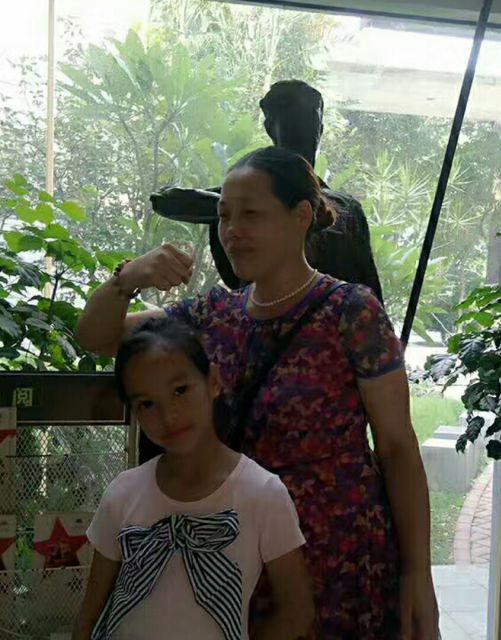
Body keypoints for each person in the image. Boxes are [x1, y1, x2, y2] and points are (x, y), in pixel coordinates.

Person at [76, 146, 439, 639]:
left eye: (251, 214)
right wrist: (128, 279)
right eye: (225, 216)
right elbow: (98, 336)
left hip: (337, 556)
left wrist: (418, 572)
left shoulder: (352, 312)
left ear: (300, 216)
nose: (232, 231)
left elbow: (396, 447)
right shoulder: (211, 315)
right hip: (238, 553)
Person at [72, 317, 314, 640]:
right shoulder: (123, 492)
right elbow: (89, 616)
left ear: (213, 381)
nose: (169, 415)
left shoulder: (263, 494)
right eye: (147, 404)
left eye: (180, 390)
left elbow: (297, 613)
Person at [150, 79, 384, 302]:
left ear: (321, 128)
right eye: (294, 120)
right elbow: (164, 200)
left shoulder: (347, 208)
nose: (305, 130)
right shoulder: (237, 194)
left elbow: (370, 289)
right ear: (270, 127)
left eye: (312, 119)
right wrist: (234, 208)